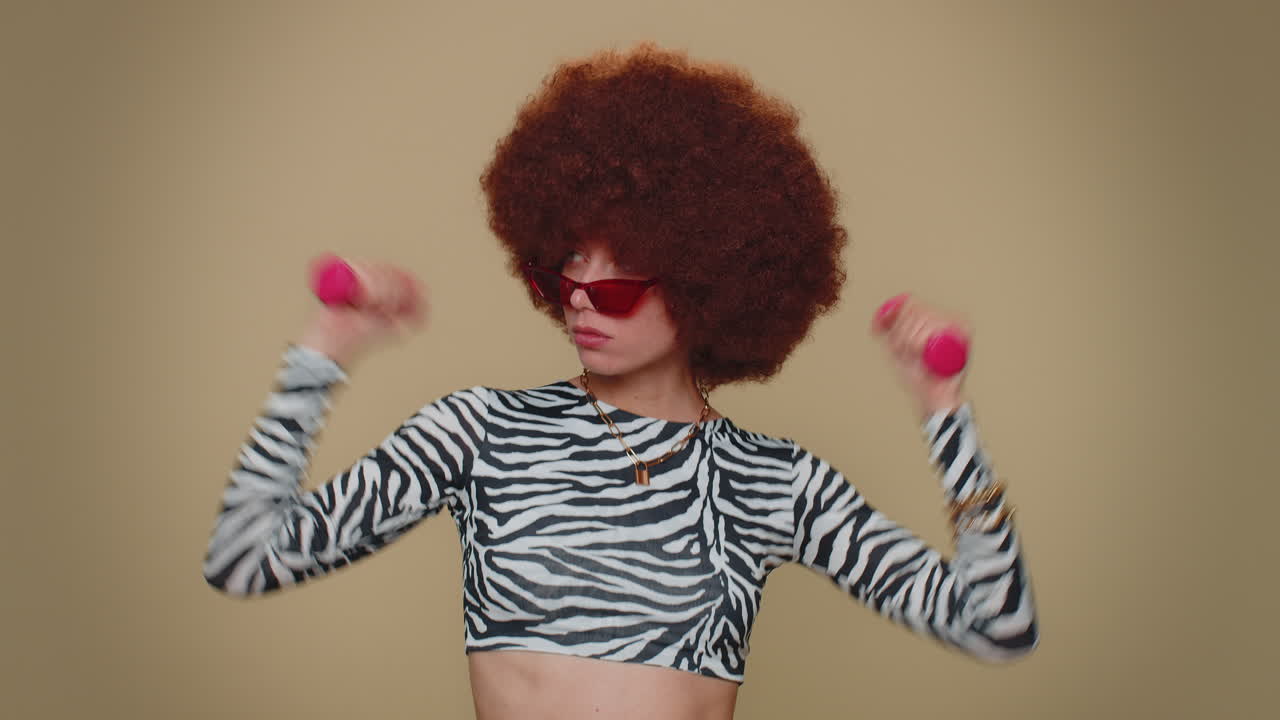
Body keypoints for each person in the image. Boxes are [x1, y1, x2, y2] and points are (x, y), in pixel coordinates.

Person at [203, 43, 1038, 720]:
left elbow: (994, 625)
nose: (581, 297)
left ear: (709, 277)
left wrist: (943, 412)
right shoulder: (481, 433)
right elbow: (246, 559)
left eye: (625, 271)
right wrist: (324, 352)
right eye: (569, 261)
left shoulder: (771, 482)